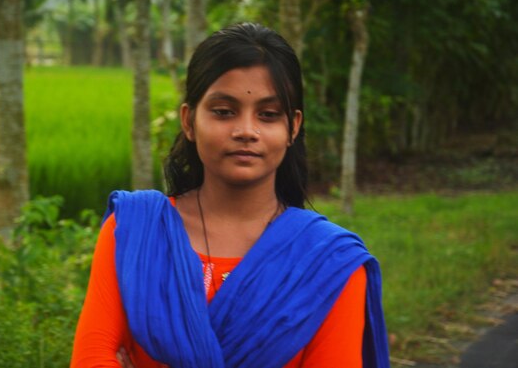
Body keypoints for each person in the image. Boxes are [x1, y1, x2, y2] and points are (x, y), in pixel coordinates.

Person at [70, 23, 390, 368]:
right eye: (224, 112)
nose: (246, 132)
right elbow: (92, 357)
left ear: (293, 128)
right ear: (189, 121)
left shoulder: (329, 264)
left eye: (268, 115)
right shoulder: (134, 232)